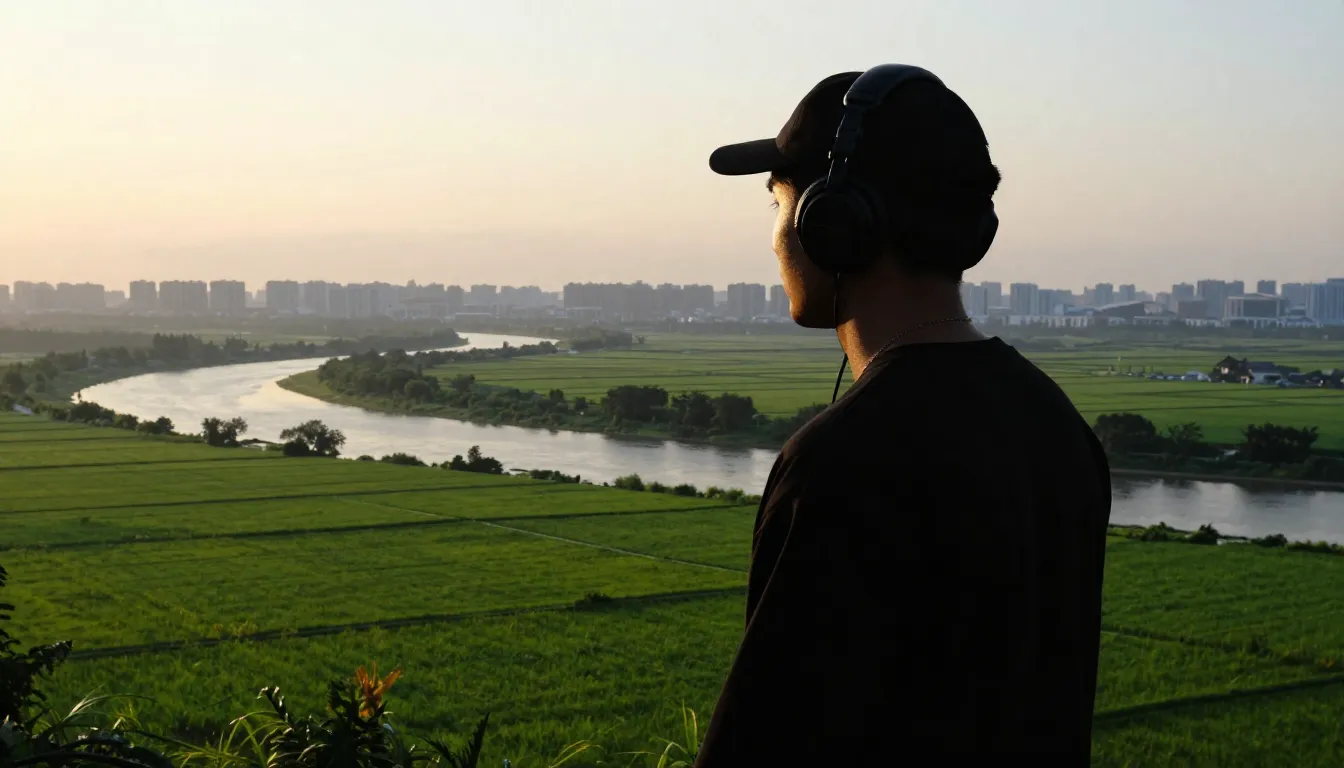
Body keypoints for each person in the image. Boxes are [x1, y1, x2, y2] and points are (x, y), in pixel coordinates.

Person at [695, 65, 1112, 764]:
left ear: (833, 221)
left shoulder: (840, 464)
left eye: (777, 204)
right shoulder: (1057, 425)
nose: (773, 237)